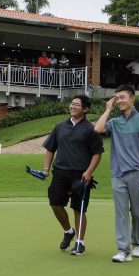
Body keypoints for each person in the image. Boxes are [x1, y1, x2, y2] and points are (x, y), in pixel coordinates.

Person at [94, 85, 139, 263]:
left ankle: (138, 244)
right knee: (121, 212)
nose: (119, 101)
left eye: (122, 97)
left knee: (137, 211)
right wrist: (107, 110)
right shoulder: (114, 122)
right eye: (117, 98)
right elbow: (97, 129)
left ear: (132, 98)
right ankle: (123, 250)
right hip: (118, 173)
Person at [42, 94, 104, 255]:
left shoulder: (90, 129)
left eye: (77, 105)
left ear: (85, 109)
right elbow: (50, 149)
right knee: (55, 203)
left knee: (79, 208)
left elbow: (97, 153)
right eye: (72, 104)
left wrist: (89, 172)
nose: (72, 106)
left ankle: (80, 242)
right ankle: (69, 231)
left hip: (81, 175)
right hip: (60, 172)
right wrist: (46, 169)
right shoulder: (59, 126)